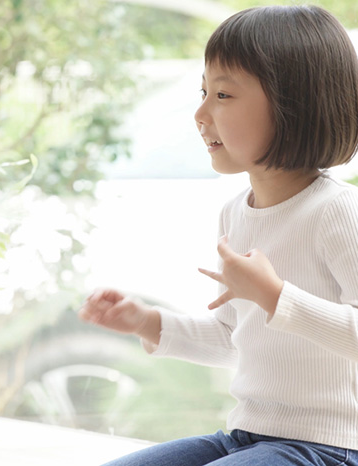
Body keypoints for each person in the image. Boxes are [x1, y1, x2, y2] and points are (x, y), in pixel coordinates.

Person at [80, 5, 358, 466]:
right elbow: (233, 339)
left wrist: (274, 295)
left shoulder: (338, 212)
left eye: (223, 94)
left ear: (295, 103)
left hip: (328, 447)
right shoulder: (235, 213)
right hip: (246, 436)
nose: (200, 113)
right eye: (204, 91)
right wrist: (148, 322)